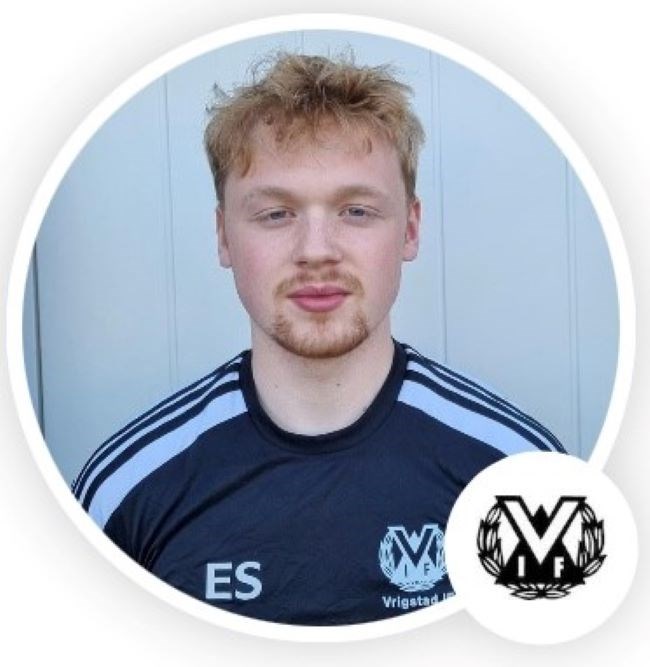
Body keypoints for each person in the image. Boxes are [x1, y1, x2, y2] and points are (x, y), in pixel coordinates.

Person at [72, 53, 565, 626]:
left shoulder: (523, 479)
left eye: (356, 211)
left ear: (410, 228)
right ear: (223, 236)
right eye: (275, 214)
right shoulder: (125, 491)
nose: (315, 251)